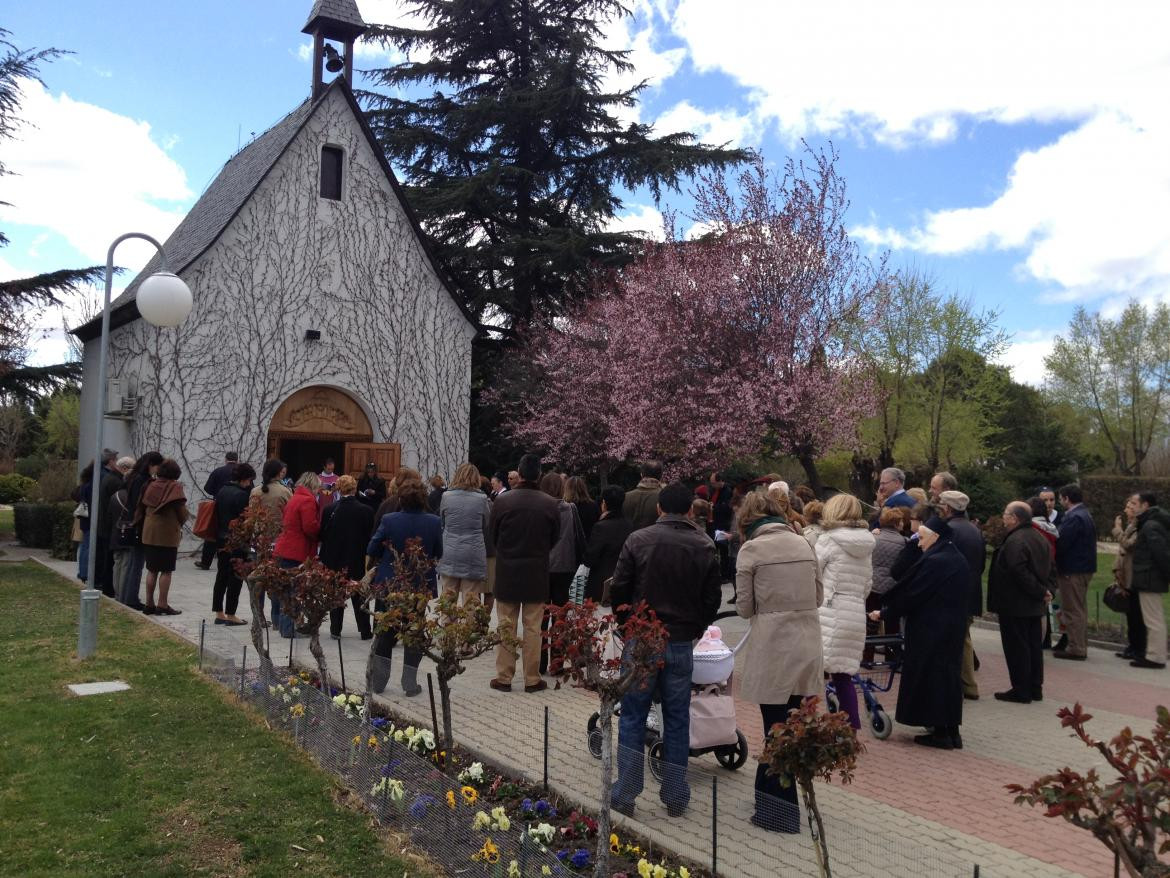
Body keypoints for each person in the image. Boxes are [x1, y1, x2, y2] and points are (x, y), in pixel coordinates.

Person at [609, 481, 721, 818]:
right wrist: (695, 628)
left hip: (642, 638)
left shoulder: (638, 540)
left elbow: (619, 588)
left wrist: (626, 625)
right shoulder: (704, 545)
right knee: (676, 718)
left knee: (632, 715)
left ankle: (626, 793)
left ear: (659, 508)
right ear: (690, 510)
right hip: (681, 641)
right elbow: (711, 599)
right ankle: (675, 796)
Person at [734, 491, 823, 833]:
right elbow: (818, 596)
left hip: (773, 645)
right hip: (806, 643)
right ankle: (783, 801)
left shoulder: (751, 551)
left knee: (774, 728)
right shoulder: (803, 544)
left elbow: (744, 608)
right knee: (792, 724)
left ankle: (777, 810)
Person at [869, 515, 969, 749]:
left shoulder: (937, 561)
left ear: (935, 537)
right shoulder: (954, 557)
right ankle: (949, 730)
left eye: (922, 539)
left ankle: (942, 734)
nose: (919, 543)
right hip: (949, 629)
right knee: (947, 677)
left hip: (931, 629)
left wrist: (885, 613)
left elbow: (914, 593)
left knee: (933, 677)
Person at [367, 470, 442, 696]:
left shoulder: (389, 520)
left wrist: (388, 556)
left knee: (385, 632)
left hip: (389, 584)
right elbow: (439, 552)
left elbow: (372, 548)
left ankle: (379, 681)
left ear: (400, 499)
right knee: (413, 633)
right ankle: (409, 683)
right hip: (419, 585)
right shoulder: (434, 522)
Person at [490, 454, 561, 693]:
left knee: (506, 625)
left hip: (508, 570)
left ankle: (504, 677)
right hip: (536, 571)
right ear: (539, 474)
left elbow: (493, 535)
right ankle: (532, 678)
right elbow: (555, 538)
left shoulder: (502, 502)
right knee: (533, 628)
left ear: (519, 474)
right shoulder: (550, 504)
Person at [815, 493, 875, 730]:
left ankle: (805, 727)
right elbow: (867, 585)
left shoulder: (827, 539)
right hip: (854, 612)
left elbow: (814, 572)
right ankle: (850, 730)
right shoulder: (867, 543)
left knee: (813, 673)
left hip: (828, 611)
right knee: (844, 676)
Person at [987, 501, 1052, 702]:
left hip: (1016, 604)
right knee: (1033, 647)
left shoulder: (1017, 540)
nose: (1003, 517)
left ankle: (1021, 689)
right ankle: (1034, 687)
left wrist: (1041, 591)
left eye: (1006, 513)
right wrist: (1047, 591)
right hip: (1032, 605)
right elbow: (1052, 569)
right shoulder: (1038, 537)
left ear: (1015, 518)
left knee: (1018, 648)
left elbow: (1019, 572)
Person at [937, 490, 986, 700]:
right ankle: (967, 684)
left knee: (957, 640)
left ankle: (965, 684)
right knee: (964, 638)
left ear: (947, 508)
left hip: (952, 594)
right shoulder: (974, 531)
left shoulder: (948, 530)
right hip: (970, 591)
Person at [541, 471, 586, 674]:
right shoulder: (570, 508)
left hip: (541, 567)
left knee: (540, 616)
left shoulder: (538, 508)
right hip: (565, 566)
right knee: (560, 616)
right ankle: (556, 663)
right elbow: (579, 538)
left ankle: (538, 662)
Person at [321, 474, 375, 640]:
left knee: (337, 593)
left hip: (334, 557)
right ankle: (365, 630)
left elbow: (323, 534)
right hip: (357, 557)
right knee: (359, 593)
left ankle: (335, 629)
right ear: (354, 489)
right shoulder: (366, 510)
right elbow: (369, 535)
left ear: (338, 488)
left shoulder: (330, 510)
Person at [135, 458, 189, 616]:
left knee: (151, 569)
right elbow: (181, 512)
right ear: (175, 473)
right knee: (166, 570)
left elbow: (141, 506)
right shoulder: (175, 487)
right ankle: (162, 604)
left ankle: (149, 603)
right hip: (167, 533)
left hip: (149, 532)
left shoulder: (149, 485)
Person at [271, 472, 322, 638]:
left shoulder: (294, 497)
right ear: (312, 485)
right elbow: (309, 527)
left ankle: (280, 624)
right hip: (297, 551)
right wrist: (321, 534)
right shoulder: (308, 500)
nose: (318, 491)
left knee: (285, 590)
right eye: (317, 488)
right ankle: (288, 629)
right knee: (294, 592)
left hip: (283, 548)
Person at [437, 462, 492, 609]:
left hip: (450, 549)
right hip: (473, 551)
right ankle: (468, 631)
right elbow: (486, 522)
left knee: (448, 598)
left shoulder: (446, 496)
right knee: (471, 599)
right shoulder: (481, 499)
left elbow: (442, 520)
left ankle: (447, 631)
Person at [1054, 483, 1097, 661]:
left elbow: (1062, 542)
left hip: (1073, 569)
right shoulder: (1085, 514)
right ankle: (1080, 644)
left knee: (1072, 609)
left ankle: (1076, 647)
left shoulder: (1074, 517)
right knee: (1079, 608)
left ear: (1066, 499)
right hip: (1083, 567)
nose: (1059, 501)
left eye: (1060, 498)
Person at [212, 463, 256, 625]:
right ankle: (231, 614)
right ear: (245, 479)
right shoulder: (242, 495)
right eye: (249, 480)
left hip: (221, 537)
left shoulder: (222, 491)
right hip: (237, 539)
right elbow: (246, 519)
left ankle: (219, 612)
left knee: (221, 575)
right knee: (235, 576)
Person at [1130, 493, 1170, 669]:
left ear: (1145, 505)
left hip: (1149, 577)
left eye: (1135, 503)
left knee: (1153, 619)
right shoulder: (1150, 523)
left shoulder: (1151, 526)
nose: (1132, 506)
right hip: (1149, 576)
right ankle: (1154, 654)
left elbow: (1160, 553)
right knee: (1153, 617)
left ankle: (1156, 656)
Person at [120, 451, 162, 608]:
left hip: (131, 523)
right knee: (137, 564)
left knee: (132, 563)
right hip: (139, 525)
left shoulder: (132, 477)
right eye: (158, 467)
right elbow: (143, 504)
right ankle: (131, 599)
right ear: (152, 465)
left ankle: (125, 596)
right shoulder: (144, 481)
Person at [865, 506, 908, 661]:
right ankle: (892, 657)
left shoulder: (874, 538)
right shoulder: (904, 542)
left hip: (873, 584)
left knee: (870, 622)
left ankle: (867, 656)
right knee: (892, 623)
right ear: (897, 524)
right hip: (892, 587)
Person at [583, 485, 633, 604]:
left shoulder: (601, 527)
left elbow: (590, 558)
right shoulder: (629, 525)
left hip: (600, 584)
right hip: (623, 581)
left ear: (604, 503)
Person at [1112, 494, 1144, 661]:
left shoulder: (1139, 526)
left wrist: (1117, 529)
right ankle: (1132, 646)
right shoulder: (1132, 525)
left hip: (1134, 576)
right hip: (1125, 575)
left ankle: (1139, 648)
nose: (1125, 510)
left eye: (1129, 507)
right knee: (1130, 614)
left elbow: (1128, 545)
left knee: (1137, 615)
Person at [198, 452, 240, 569]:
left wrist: (217, 492)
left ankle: (206, 562)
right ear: (237, 460)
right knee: (234, 532)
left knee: (213, 531)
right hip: (236, 506)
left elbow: (208, 488)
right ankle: (231, 560)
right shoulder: (241, 472)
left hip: (219, 504)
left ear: (226, 459)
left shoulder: (218, 471)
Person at [92, 449, 124, 597]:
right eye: (115, 458)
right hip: (108, 524)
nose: (117, 461)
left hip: (103, 522)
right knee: (109, 559)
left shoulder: (106, 477)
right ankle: (108, 587)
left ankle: (105, 584)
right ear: (111, 461)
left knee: (106, 557)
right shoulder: (113, 480)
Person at [107, 456, 138, 607]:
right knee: (125, 565)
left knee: (117, 564)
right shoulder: (132, 497)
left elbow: (109, 516)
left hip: (115, 533)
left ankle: (117, 592)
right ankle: (122, 594)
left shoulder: (115, 496)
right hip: (127, 534)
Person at [709, 472, 735, 580]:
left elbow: (727, 509)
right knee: (716, 549)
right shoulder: (715, 491)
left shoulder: (727, 492)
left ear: (720, 481)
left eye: (714, 483)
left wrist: (713, 508)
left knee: (723, 551)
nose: (712, 485)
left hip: (723, 525)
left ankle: (725, 574)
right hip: (715, 524)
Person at [625, 461, 664, 530]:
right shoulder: (665, 498)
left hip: (629, 539)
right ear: (661, 476)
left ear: (641, 474)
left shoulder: (625, 497)